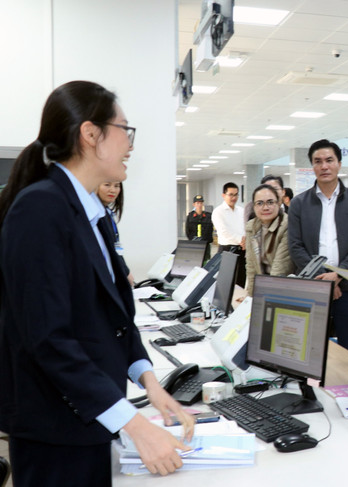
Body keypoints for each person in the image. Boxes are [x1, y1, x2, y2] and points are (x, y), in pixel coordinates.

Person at [0, 81, 194, 485]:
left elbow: (112, 314)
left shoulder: (93, 212)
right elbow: (48, 339)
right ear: (90, 134)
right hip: (55, 427)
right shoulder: (41, 209)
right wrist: (137, 427)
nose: (131, 143)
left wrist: (149, 382)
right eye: (125, 128)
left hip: (87, 415)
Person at [288, 139, 348, 355]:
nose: (324, 166)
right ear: (312, 166)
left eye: (329, 160)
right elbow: (295, 246)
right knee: (310, 352)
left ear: (339, 164)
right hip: (312, 288)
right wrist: (323, 279)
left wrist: (337, 276)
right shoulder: (299, 203)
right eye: (318, 161)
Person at [244, 184, 294, 294]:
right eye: (260, 203)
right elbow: (251, 266)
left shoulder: (287, 225)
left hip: (283, 289)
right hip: (263, 287)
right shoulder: (251, 227)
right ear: (254, 207)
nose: (265, 207)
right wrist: (250, 297)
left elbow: (279, 269)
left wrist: (263, 300)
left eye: (270, 202)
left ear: (279, 203)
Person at [213, 182, 246, 287]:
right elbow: (224, 232)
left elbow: (246, 228)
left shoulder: (241, 211)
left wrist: (246, 240)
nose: (234, 197)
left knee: (240, 282)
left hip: (242, 251)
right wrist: (242, 239)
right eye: (230, 194)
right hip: (227, 251)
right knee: (226, 284)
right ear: (223, 195)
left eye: (236, 194)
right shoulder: (218, 211)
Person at [185, 194, 213, 259]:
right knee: (195, 260)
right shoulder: (190, 216)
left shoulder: (208, 216)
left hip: (206, 244)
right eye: (197, 203)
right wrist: (193, 240)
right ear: (194, 204)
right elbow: (187, 231)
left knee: (206, 261)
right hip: (194, 244)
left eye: (201, 203)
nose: (199, 205)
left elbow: (210, 230)